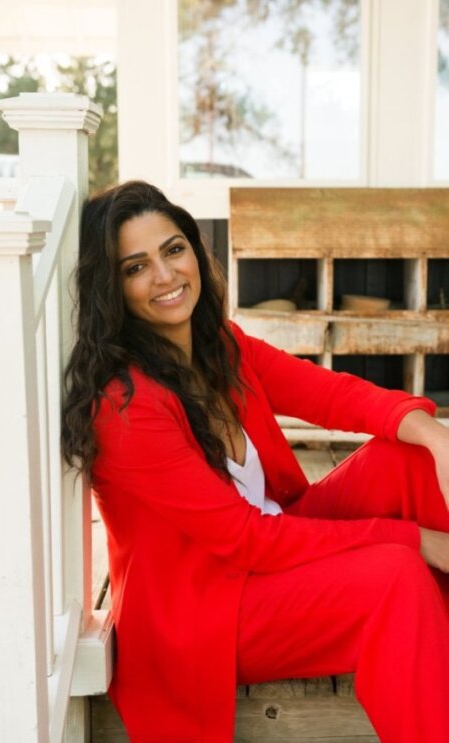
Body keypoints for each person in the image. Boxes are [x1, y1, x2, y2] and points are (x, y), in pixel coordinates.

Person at [61, 180, 449, 743]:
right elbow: (247, 539)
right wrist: (417, 539)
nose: (166, 276)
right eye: (135, 267)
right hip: (209, 611)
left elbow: (333, 394)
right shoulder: (126, 405)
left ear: (194, 249)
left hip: (274, 551)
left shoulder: (219, 344)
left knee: (407, 459)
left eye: (173, 250)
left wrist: (435, 437)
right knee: (397, 576)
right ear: (112, 289)